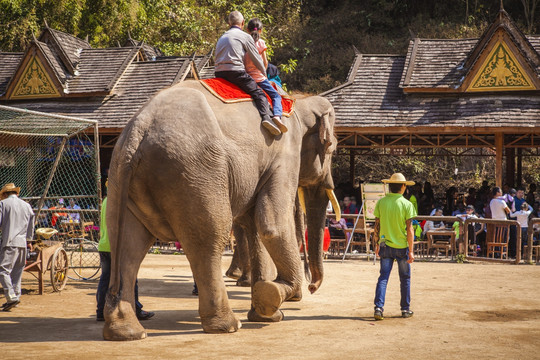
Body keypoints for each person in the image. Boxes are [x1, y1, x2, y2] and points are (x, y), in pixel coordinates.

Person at [214, 11, 281, 135]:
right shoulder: (245, 36)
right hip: (236, 72)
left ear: (229, 23)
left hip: (219, 73)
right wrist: (264, 75)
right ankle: (267, 118)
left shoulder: (222, 37)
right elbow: (257, 58)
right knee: (259, 94)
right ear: (243, 23)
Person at [96, 181, 154, 321]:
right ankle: (136, 308)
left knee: (105, 279)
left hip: (104, 246)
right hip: (117, 247)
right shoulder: (119, 202)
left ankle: (100, 311)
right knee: (130, 278)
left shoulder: (105, 201)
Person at [373, 173, 416, 321]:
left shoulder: (381, 203)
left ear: (390, 187)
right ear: (403, 187)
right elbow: (410, 229)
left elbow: (376, 226)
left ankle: (378, 308)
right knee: (405, 278)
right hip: (402, 247)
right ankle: (405, 309)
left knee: (383, 277)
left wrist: (376, 244)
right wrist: (411, 251)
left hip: (385, 246)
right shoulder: (407, 204)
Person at [245, 18, 286, 133]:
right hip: (259, 77)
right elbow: (265, 62)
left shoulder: (244, 42)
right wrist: (264, 74)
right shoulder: (261, 43)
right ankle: (277, 116)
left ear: (247, 29)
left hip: (246, 77)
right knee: (276, 96)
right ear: (261, 31)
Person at [0, 183, 34, 311]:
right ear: (16, 193)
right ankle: (15, 297)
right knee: (17, 272)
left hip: (9, 242)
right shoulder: (26, 205)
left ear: (4, 194)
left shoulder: (3, 204)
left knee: (3, 270)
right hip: (22, 243)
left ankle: (11, 297)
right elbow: (31, 224)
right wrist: (29, 240)